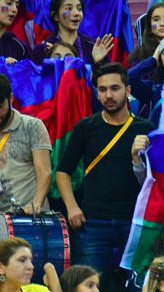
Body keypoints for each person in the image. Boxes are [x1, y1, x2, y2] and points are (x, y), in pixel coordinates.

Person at [57, 63, 155, 278]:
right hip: (92, 222)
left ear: (128, 91)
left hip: (134, 221)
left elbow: (154, 180)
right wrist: (72, 207)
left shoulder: (146, 129)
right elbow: (63, 171)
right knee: (86, 288)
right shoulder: (86, 127)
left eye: (114, 88)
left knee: (139, 289)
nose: (109, 95)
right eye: (102, 90)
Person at [0, 73, 52, 283]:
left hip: (31, 222)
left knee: (32, 289)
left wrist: (36, 203)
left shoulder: (33, 126)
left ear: (11, 98)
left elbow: (45, 172)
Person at [32, 0, 114, 66]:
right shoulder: (43, 50)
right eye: (69, 9)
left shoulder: (93, 47)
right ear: (56, 16)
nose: (76, 13)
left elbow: (107, 80)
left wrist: (96, 62)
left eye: (79, 9)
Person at [128, 2, 164, 67]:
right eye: (156, 19)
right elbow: (131, 76)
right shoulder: (139, 54)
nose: (162, 23)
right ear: (150, 25)